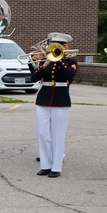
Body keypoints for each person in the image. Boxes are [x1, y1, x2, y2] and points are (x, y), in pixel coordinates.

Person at [29, 33, 77, 178]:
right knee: (43, 134)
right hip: (44, 98)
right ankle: (45, 165)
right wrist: (45, 63)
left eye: (61, 45)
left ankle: (56, 167)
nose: (58, 47)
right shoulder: (46, 61)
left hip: (61, 99)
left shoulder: (70, 60)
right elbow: (34, 77)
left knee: (58, 134)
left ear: (66, 46)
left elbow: (70, 76)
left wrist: (59, 60)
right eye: (55, 45)